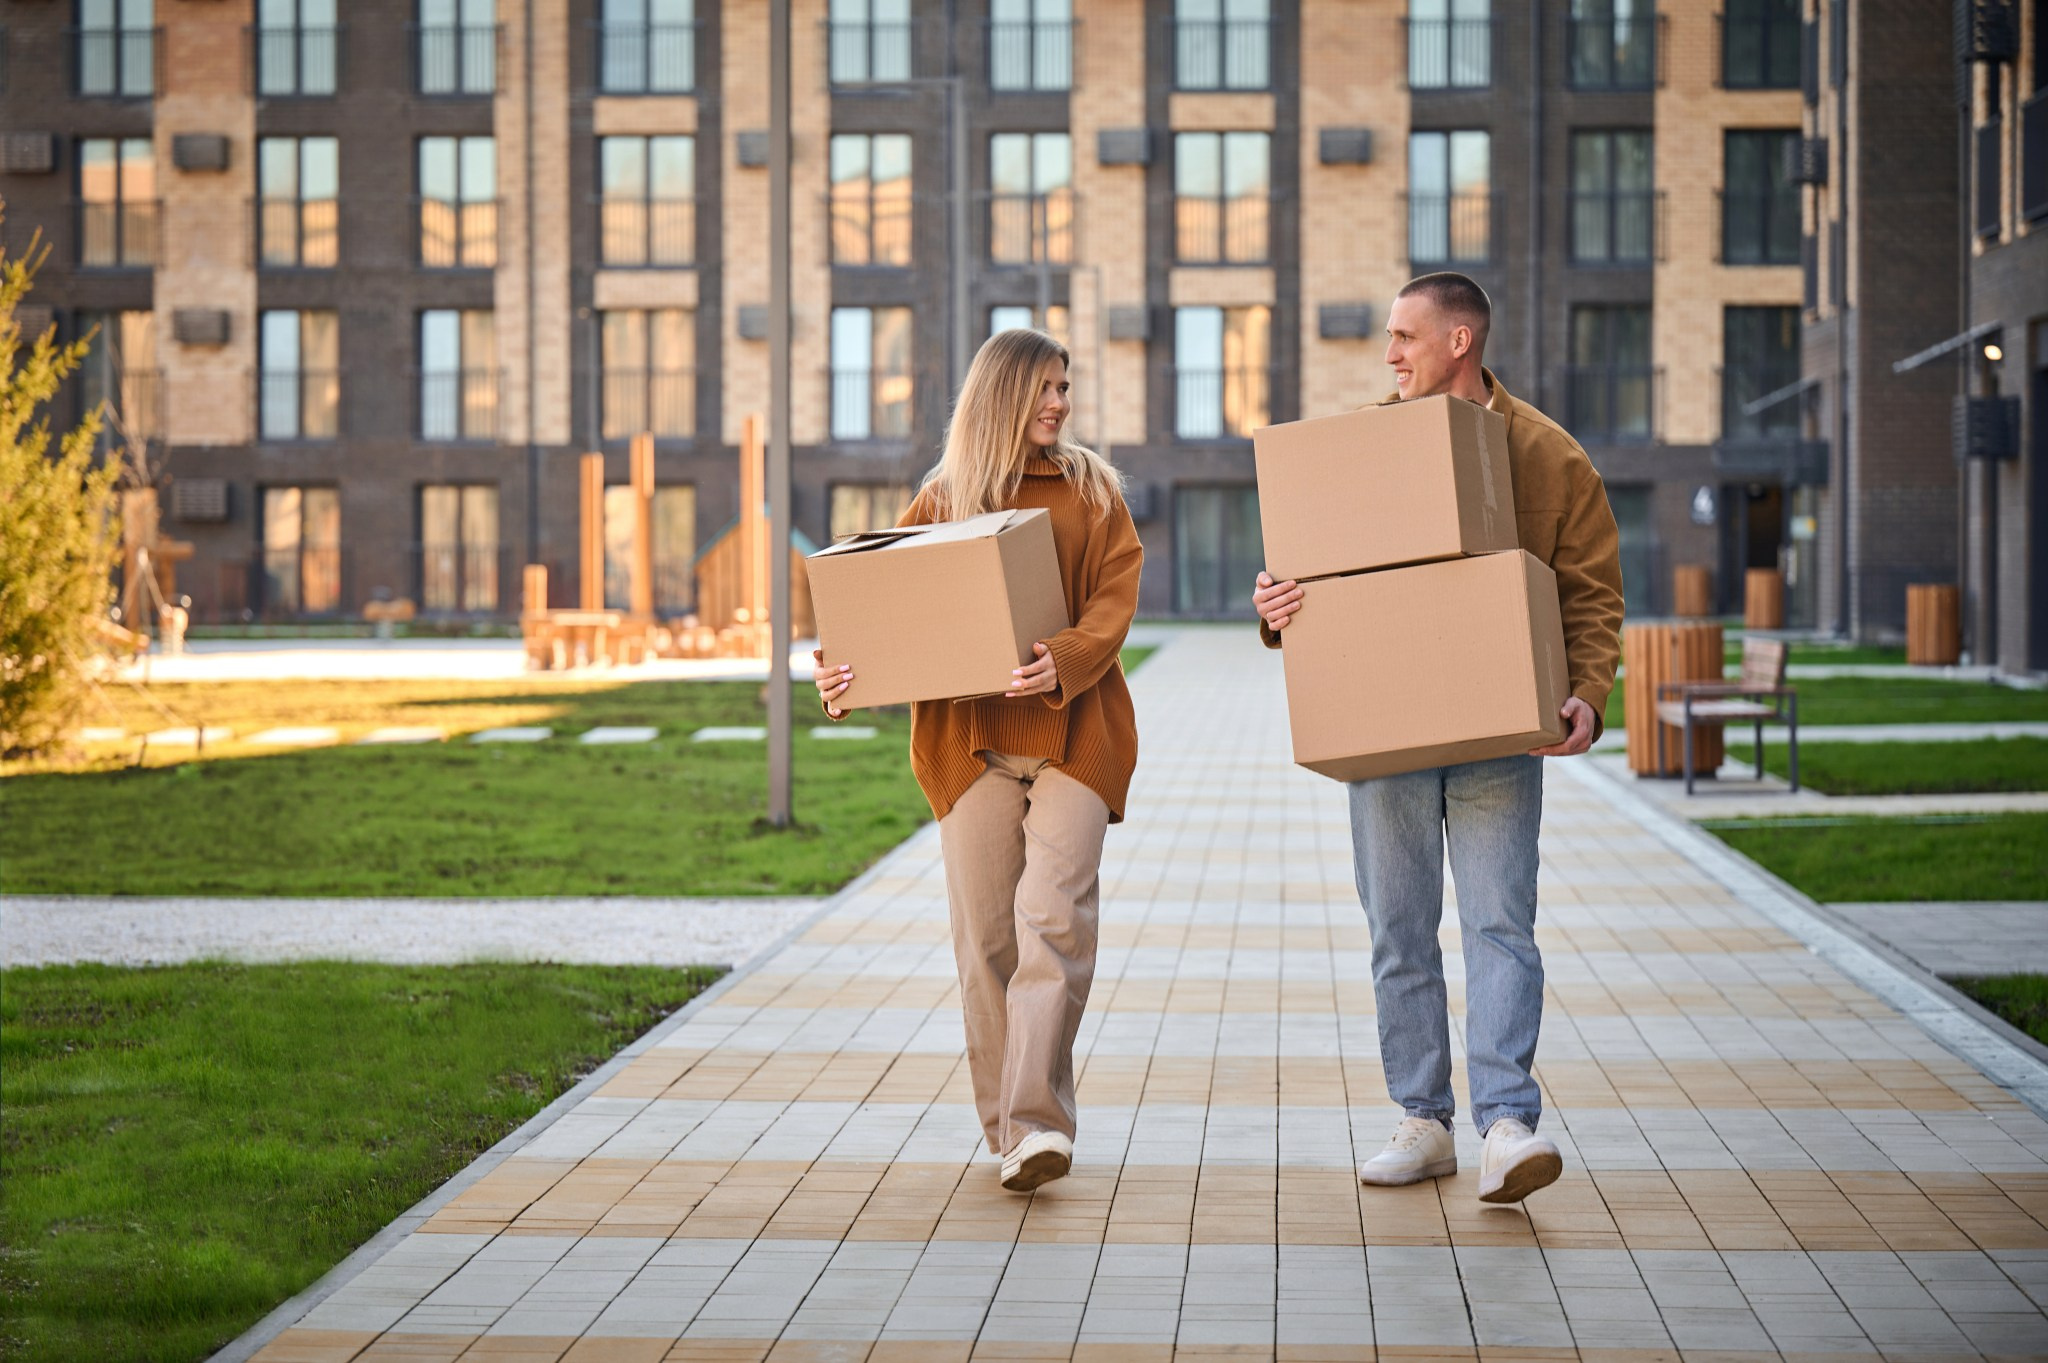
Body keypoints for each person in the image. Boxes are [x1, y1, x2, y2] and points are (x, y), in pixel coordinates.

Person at [1253, 273, 1624, 1204]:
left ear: (1460, 341)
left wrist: (1586, 691)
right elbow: (1306, 572)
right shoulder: (1365, 447)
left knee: (1502, 924)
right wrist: (1274, 605)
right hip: (1387, 728)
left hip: (1503, 729)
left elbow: (1591, 591)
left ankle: (1506, 1124)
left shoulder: (1548, 454)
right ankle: (1425, 1119)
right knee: (1399, 931)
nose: (1390, 355)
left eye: (1404, 337)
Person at [814, 328, 1143, 1193]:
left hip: (1077, 734)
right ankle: (1010, 1133)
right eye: (1045, 388)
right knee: (988, 941)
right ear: (1002, 394)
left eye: (1065, 388)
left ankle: (1037, 1122)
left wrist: (1063, 657)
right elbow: (885, 608)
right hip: (971, 746)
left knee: (1054, 920)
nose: (1061, 403)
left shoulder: (1095, 492)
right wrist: (844, 673)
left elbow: (1113, 607)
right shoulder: (942, 501)